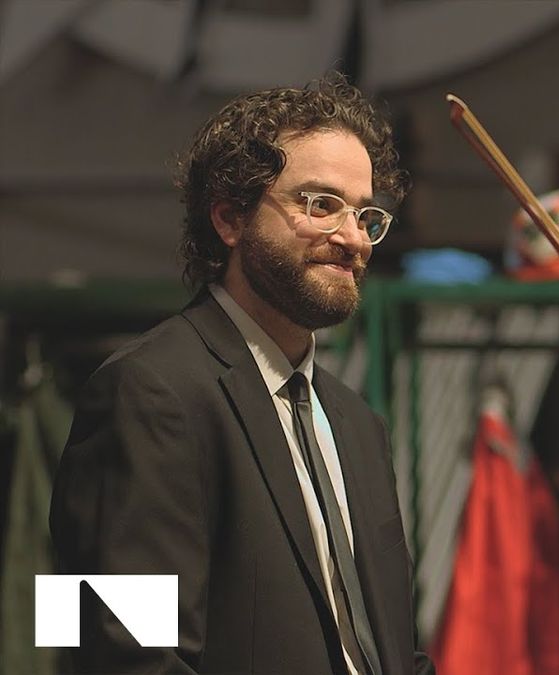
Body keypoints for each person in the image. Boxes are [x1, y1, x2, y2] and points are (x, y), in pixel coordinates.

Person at [49, 73, 434, 675]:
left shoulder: (357, 423)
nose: (352, 237)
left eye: (366, 215)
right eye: (321, 204)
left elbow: (392, 651)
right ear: (230, 219)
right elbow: (115, 653)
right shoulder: (144, 390)